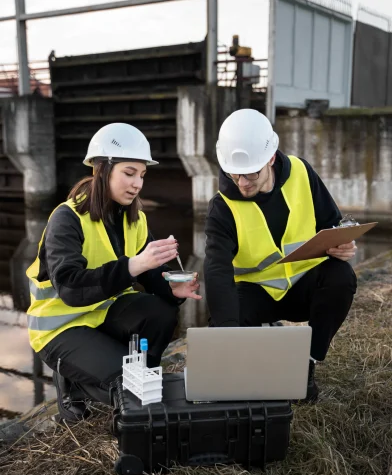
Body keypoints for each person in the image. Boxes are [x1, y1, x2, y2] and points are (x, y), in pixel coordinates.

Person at [26, 123, 201, 421]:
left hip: (102, 315)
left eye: (142, 175)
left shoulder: (135, 219)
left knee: (160, 312)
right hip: (59, 329)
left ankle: (135, 385)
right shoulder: (66, 219)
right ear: (101, 170)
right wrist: (133, 265)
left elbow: (149, 274)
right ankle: (75, 387)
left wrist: (171, 288)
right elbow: (70, 287)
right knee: (129, 386)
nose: (137, 184)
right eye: (129, 173)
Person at [204, 109, 357, 402]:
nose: (243, 183)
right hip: (255, 294)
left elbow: (332, 224)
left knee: (341, 277)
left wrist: (344, 244)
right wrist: (225, 338)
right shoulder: (221, 208)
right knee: (225, 316)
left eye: (251, 173)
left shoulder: (301, 173)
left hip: (303, 287)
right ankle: (240, 375)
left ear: (271, 159)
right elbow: (217, 272)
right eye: (234, 174)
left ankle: (306, 366)